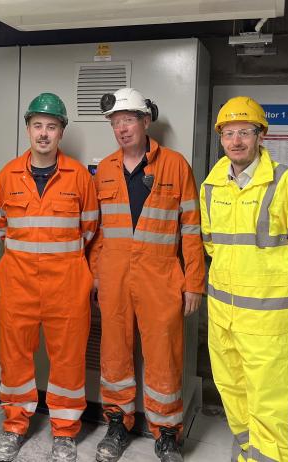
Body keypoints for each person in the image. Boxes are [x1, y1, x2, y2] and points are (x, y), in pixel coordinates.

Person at [201, 96, 288, 462]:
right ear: (221, 138)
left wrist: (278, 283)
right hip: (222, 316)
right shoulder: (212, 186)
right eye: (229, 133)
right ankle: (249, 453)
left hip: (266, 320)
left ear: (261, 135)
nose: (236, 141)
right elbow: (212, 243)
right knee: (233, 391)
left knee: (269, 404)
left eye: (245, 131)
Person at [88, 88, 205, 462]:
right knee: (114, 352)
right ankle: (117, 425)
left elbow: (191, 228)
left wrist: (194, 283)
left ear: (145, 121)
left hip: (161, 275)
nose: (122, 128)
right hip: (115, 275)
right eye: (115, 122)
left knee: (164, 354)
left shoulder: (175, 165)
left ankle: (166, 433)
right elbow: (97, 231)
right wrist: (95, 276)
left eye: (128, 120)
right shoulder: (104, 169)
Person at [0, 93, 99, 462]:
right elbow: (3, 228)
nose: (43, 133)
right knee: (14, 357)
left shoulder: (80, 177)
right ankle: (14, 425)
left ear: (61, 132)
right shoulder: (7, 175)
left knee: (68, 359)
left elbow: (89, 230)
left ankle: (65, 432)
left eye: (51, 126)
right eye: (37, 125)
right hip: (17, 283)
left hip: (66, 285)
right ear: (27, 129)